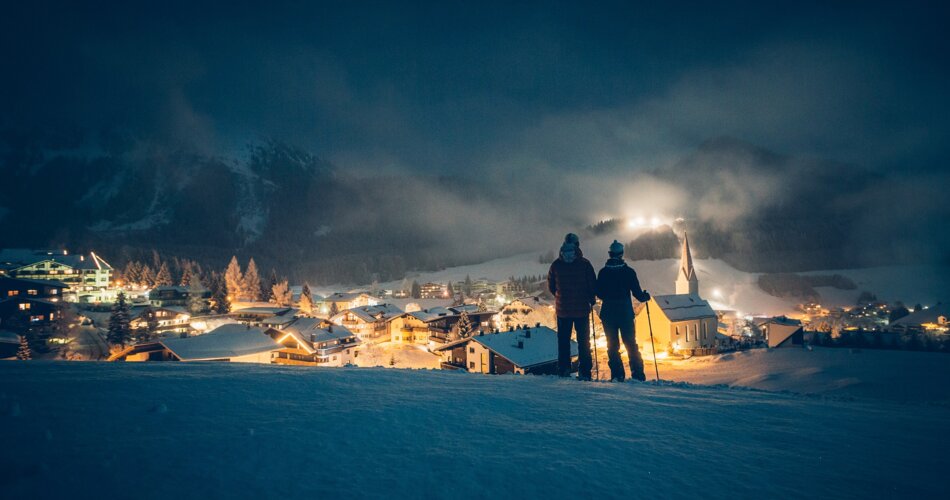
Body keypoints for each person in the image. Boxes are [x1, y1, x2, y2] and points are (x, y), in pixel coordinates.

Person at [595, 240, 651, 382]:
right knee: (631, 344)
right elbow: (638, 294)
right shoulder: (629, 272)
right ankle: (637, 374)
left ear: (610, 254)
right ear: (621, 254)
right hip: (625, 313)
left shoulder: (603, 272)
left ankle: (617, 375)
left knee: (612, 346)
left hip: (608, 313)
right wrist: (645, 296)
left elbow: (599, 293)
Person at [547, 234, 596, 379]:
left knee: (563, 342)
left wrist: (560, 297)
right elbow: (592, 285)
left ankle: (563, 370)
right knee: (583, 342)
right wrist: (591, 298)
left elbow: (551, 286)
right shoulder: (585, 264)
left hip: (563, 311)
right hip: (581, 310)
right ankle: (585, 371)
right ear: (577, 245)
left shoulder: (556, 264)